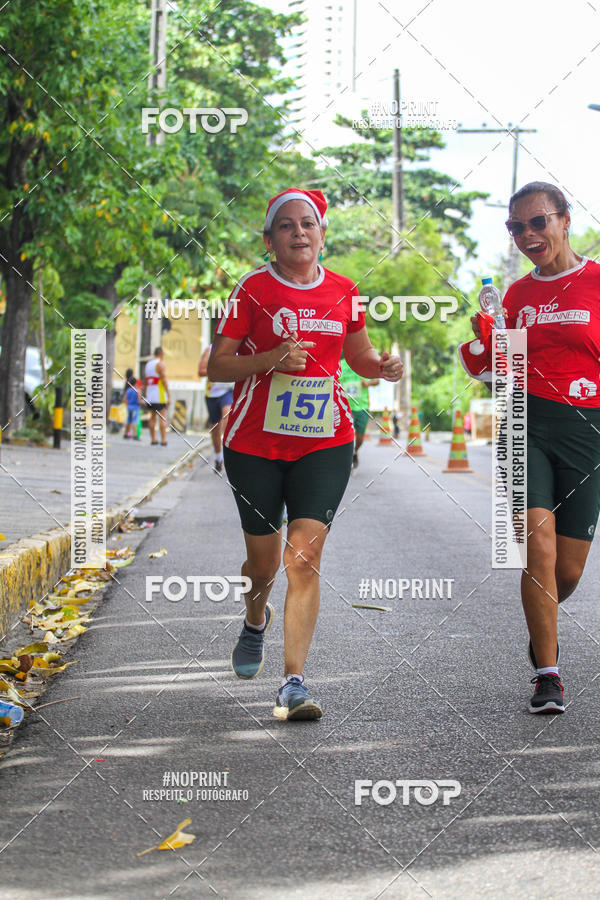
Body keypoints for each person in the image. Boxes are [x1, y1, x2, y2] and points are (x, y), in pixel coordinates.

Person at [207, 187, 403, 721]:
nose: (300, 232)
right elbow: (217, 367)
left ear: (321, 235)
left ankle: (293, 682)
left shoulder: (346, 290)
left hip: (326, 441)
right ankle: (254, 620)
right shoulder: (251, 290)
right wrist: (270, 358)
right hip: (255, 445)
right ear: (269, 241)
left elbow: (357, 355)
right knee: (264, 563)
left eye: (309, 223)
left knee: (303, 558)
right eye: (287, 226)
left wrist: (379, 368)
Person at [461, 181, 600, 715]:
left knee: (567, 572)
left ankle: (542, 627)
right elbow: (495, 366)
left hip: (587, 431)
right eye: (516, 227)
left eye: (538, 222)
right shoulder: (514, 296)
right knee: (536, 546)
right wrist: (481, 345)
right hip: (522, 422)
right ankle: (549, 672)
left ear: (565, 219)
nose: (527, 235)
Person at [198, 346, 234, 472]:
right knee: (215, 429)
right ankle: (219, 458)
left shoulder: (237, 349)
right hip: (212, 394)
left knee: (227, 417)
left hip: (228, 391)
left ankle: (230, 454)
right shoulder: (210, 350)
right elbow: (201, 371)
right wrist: (217, 369)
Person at [339, 355, 379, 466]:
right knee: (346, 434)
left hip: (362, 407)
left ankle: (355, 451)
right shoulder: (341, 364)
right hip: (345, 406)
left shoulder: (363, 364)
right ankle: (346, 457)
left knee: (360, 436)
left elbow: (376, 380)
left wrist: (368, 383)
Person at [143, 347, 169, 446]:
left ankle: (153, 439)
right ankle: (163, 440)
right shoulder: (160, 364)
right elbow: (164, 381)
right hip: (160, 395)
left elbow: (145, 381)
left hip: (150, 395)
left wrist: (145, 394)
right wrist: (169, 395)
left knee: (152, 418)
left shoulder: (148, 365)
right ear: (161, 354)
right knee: (162, 418)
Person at [123, 368, 141, 440]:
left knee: (128, 420)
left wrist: (128, 404)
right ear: (135, 383)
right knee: (134, 421)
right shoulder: (137, 390)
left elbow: (124, 400)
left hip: (129, 407)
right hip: (135, 407)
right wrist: (141, 403)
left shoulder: (128, 390)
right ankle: (135, 435)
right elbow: (139, 400)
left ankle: (126, 434)